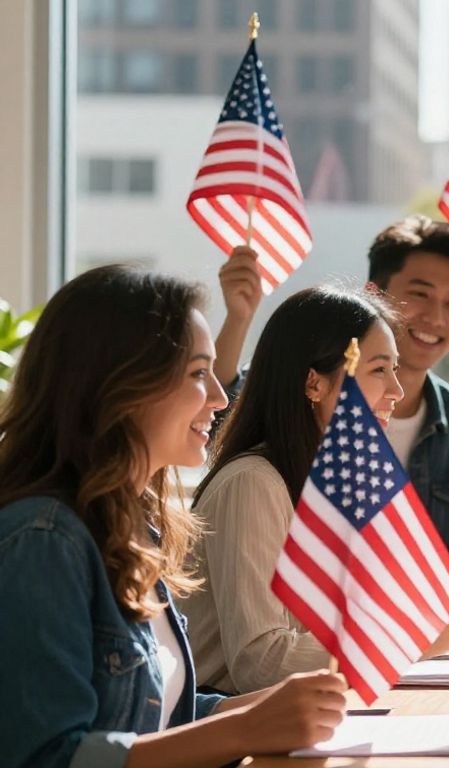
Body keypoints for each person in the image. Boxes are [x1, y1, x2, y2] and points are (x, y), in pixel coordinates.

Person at [0, 266, 346, 768]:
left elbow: (161, 713)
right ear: (120, 385)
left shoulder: (133, 525)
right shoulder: (43, 539)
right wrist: (245, 729)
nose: (220, 398)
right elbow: (49, 757)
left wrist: (277, 709)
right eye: (198, 374)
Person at [186, 284, 449, 694]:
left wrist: (434, 611)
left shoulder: (335, 481)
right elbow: (259, 663)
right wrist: (413, 638)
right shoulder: (253, 483)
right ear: (314, 383)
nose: (397, 391)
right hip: (233, 736)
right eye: (379, 370)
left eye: (395, 369)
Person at [214, 214, 449, 589]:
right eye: (420, 294)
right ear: (372, 294)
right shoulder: (306, 381)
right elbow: (217, 421)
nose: (435, 317)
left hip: (427, 642)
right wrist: (238, 318)